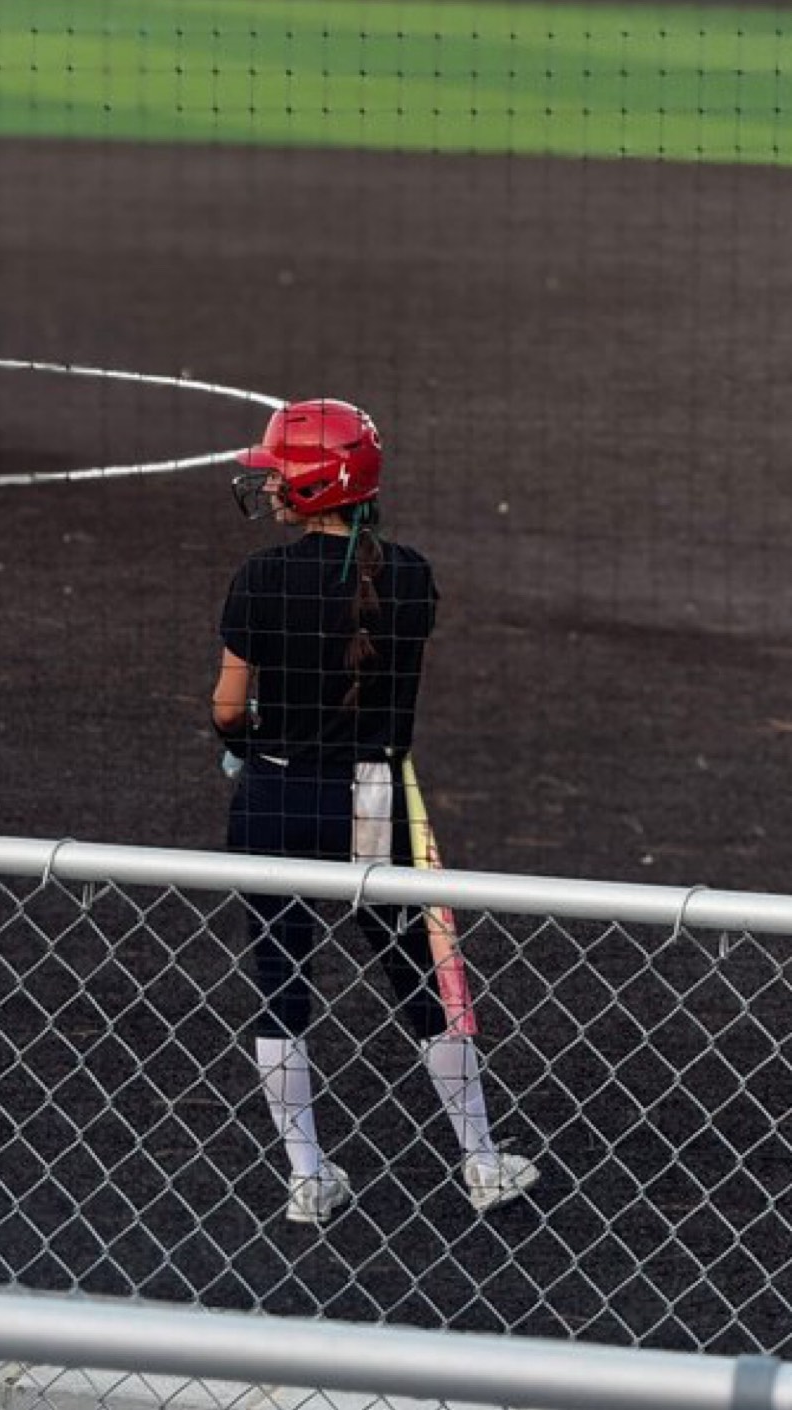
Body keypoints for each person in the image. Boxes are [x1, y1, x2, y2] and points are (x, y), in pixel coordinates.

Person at [212, 398, 539, 1225]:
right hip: (372, 798)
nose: (270, 487)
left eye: (280, 475)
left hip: (273, 796)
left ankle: (307, 1177)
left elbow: (227, 708)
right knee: (418, 977)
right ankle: (480, 1159)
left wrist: (247, 739)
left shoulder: (259, 578)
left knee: (280, 980)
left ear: (313, 487)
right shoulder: (412, 576)